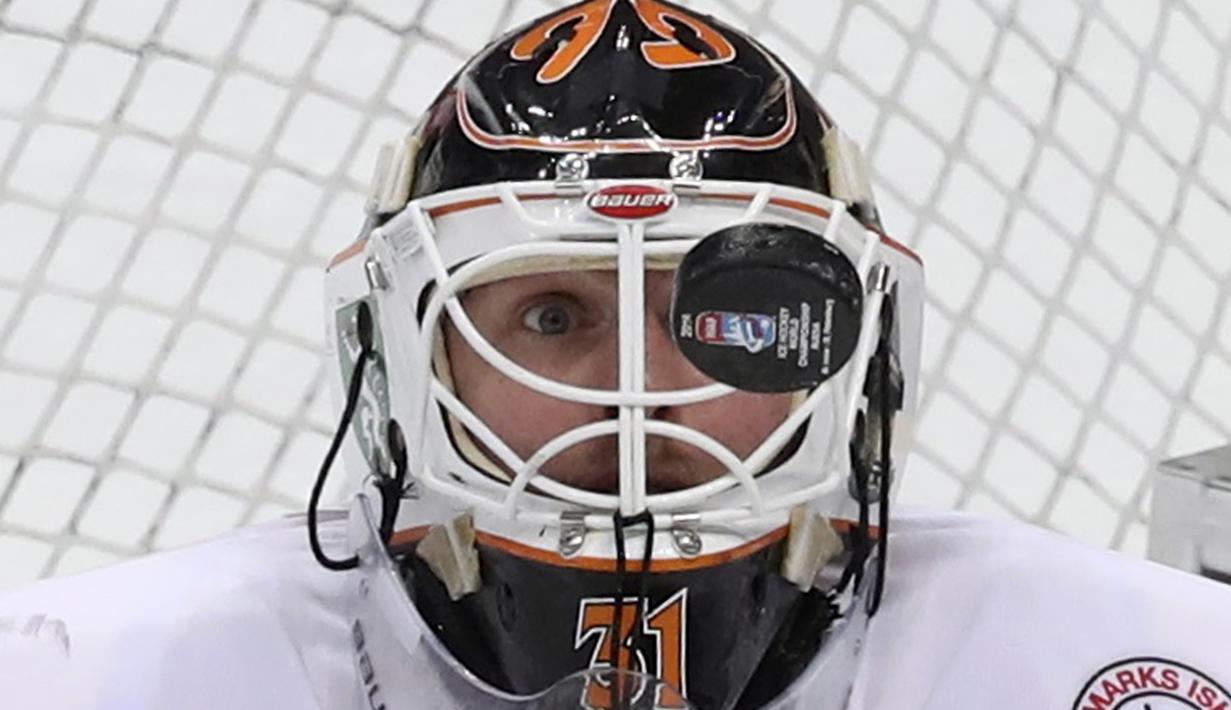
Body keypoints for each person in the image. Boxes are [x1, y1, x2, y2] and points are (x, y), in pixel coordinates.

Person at [2, 1, 1229, 709]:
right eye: (548, 315)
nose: (639, 396)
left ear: (852, 350)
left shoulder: (1129, 661)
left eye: (729, 315)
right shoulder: (88, 672)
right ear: (405, 358)